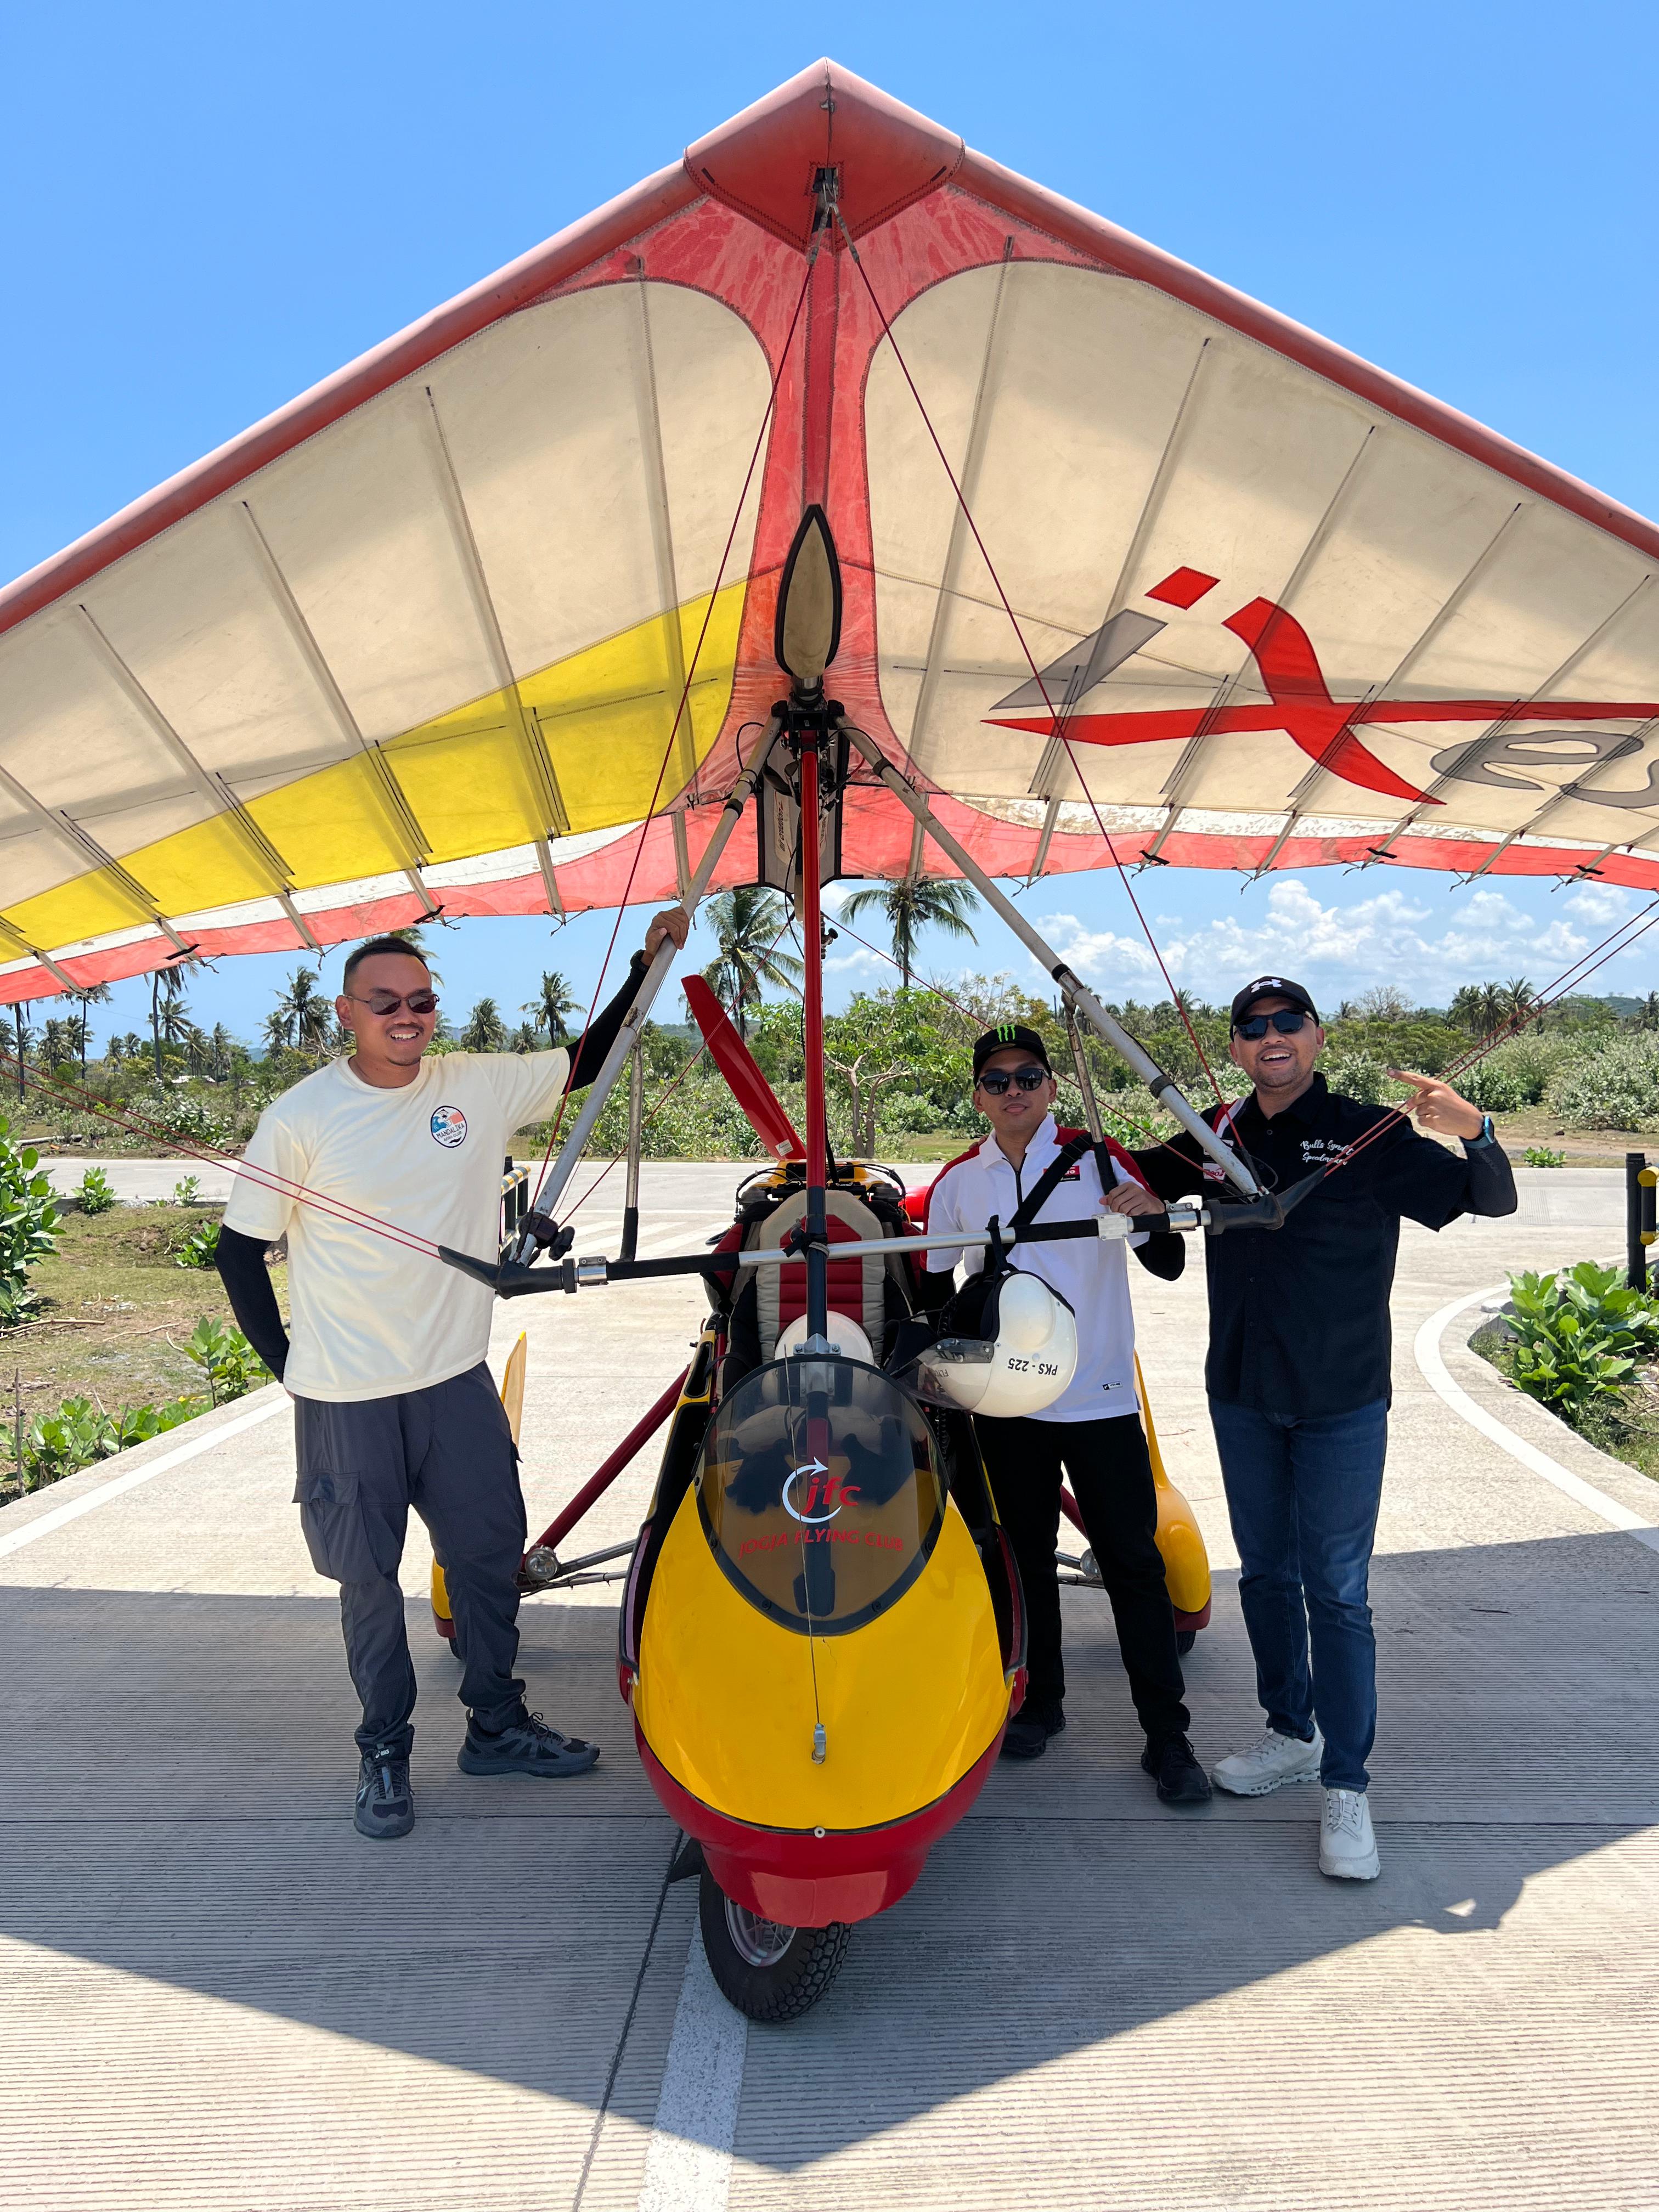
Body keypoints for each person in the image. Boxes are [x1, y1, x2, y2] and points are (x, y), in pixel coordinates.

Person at [215, 913, 689, 1841]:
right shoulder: (300, 1116)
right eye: (384, 1002)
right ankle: (384, 1751)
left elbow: (586, 1061)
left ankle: (497, 1725)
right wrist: (290, 1369)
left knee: (487, 1552)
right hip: (347, 1397)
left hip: (453, 1379)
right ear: (346, 1012)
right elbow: (239, 1255)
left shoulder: (474, 1083)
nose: (406, 1016)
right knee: (367, 1580)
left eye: (422, 1002)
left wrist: (649, 961)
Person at [1114, 975, 1516, 1879]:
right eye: (1253, 1026)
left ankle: (1347, 1783)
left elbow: (1489, 1201)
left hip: (1341, 1398)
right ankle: (1290, 1732)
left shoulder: (1369, 1132)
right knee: (1264, 1574)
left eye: (1288, 1021)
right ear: (1235, 1047)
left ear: (1317, 1035)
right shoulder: (1215, 1133)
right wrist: (1122, 1188)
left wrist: (1476, 1130)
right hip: (1242, 1390)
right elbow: (1131, 1170)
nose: (1272, 1036)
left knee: (1336, 1592)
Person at [922, 1024, 1211, 1804]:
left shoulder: (1101, 1160)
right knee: (1024, 1556)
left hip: (1099, 1401)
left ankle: (1167, 1734)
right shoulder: (960, 1180)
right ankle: (1039, 1702)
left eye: (1028, 1076)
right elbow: (932, 1283)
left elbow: (1169, 1264)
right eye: (996, 1080)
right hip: (1007, 1403)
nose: (1013, 1090)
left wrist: (1151, 1211)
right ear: (978, 1096)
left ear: (1052, 1087)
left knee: (1134, 1563)